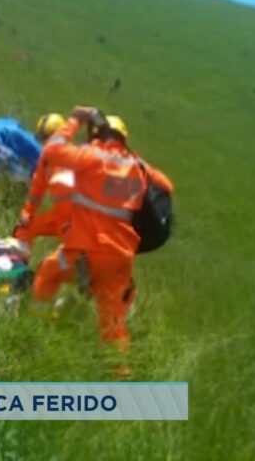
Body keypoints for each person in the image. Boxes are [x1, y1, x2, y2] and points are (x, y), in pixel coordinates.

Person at [32, 106, 174, 358]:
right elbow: (166, 185)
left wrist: (74, 119)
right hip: (119, 259)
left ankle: (33, 332)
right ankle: (120, 375)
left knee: (47, 274)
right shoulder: (138, 167)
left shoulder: (92, 156)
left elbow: (52, 151)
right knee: (112, 327)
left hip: (84, 249)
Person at [13, 113, 74, 251]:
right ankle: (18, 263)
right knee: (24, 228)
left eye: (46, 138)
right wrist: (27, 212)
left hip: (77, 223)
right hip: (59, 217)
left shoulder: (77, 157)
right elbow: (37, 189)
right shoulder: (46, 161)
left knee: (70, 259)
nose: (44, 144)